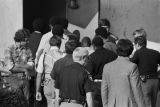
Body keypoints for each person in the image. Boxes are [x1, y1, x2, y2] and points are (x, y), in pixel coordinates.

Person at [101, 39, 145, 107]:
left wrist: (105, 105)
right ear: (131, 51)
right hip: (128, 103)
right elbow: (136, 90)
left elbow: (104, 89)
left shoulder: (107, 66)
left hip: (112, 103)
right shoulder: (132, 66)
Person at [3, 28, 34, 106]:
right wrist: (24, 69)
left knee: (26, 102)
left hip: (25, 80)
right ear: (21, 40)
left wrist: (17, 65)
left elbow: (31, 66)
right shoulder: (9, 49)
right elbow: (10, 68)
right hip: (13, 80)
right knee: (15, 102)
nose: (28, 42)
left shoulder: (28, 50)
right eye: (26, 40)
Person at [86, 36, 117, 107]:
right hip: (111, 84)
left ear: (93, 46)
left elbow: (88, 73)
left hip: (96, 86)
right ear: (102, 44)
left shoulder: (92, 57)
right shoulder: (112, 55)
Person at [130, 36, 160, 107]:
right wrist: (158, 74)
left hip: (145, 81)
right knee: (153, 104)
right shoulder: (156, 52)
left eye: (134, 45)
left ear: (137, 44)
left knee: (146, 104)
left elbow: (131, 64)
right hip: (155, 81)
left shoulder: (138, 53)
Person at [36, 35, 64, 107]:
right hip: (60, 83)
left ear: (50, 44)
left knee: (50, 104)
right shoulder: (63, 55)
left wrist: (37, 91)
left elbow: (39, 75)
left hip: (47, 82)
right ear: (60, 44)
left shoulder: (44, 55)